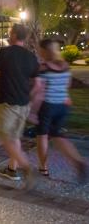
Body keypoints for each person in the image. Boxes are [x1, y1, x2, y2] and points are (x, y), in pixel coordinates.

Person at [0, 24, 39, 187]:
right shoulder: (31, 56)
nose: (9, 35)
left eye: (10, 33)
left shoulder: (5, 52)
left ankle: (26, 166)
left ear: (14, 35)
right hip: (24, 104)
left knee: (3, 134)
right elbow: (38, 83)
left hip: (8, 102)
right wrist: (30, 99)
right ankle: (11, 169)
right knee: (14, 137)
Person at [33, 39, 87, 182]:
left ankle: (43, 167)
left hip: (48, 106)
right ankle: (77, 161)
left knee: (42, 135)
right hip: (62, 106)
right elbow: (67, 85)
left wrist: (30, 103)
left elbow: (38, 88)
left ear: (44, 51)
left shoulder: (43, 67)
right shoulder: (65, 66)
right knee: (58, 135)